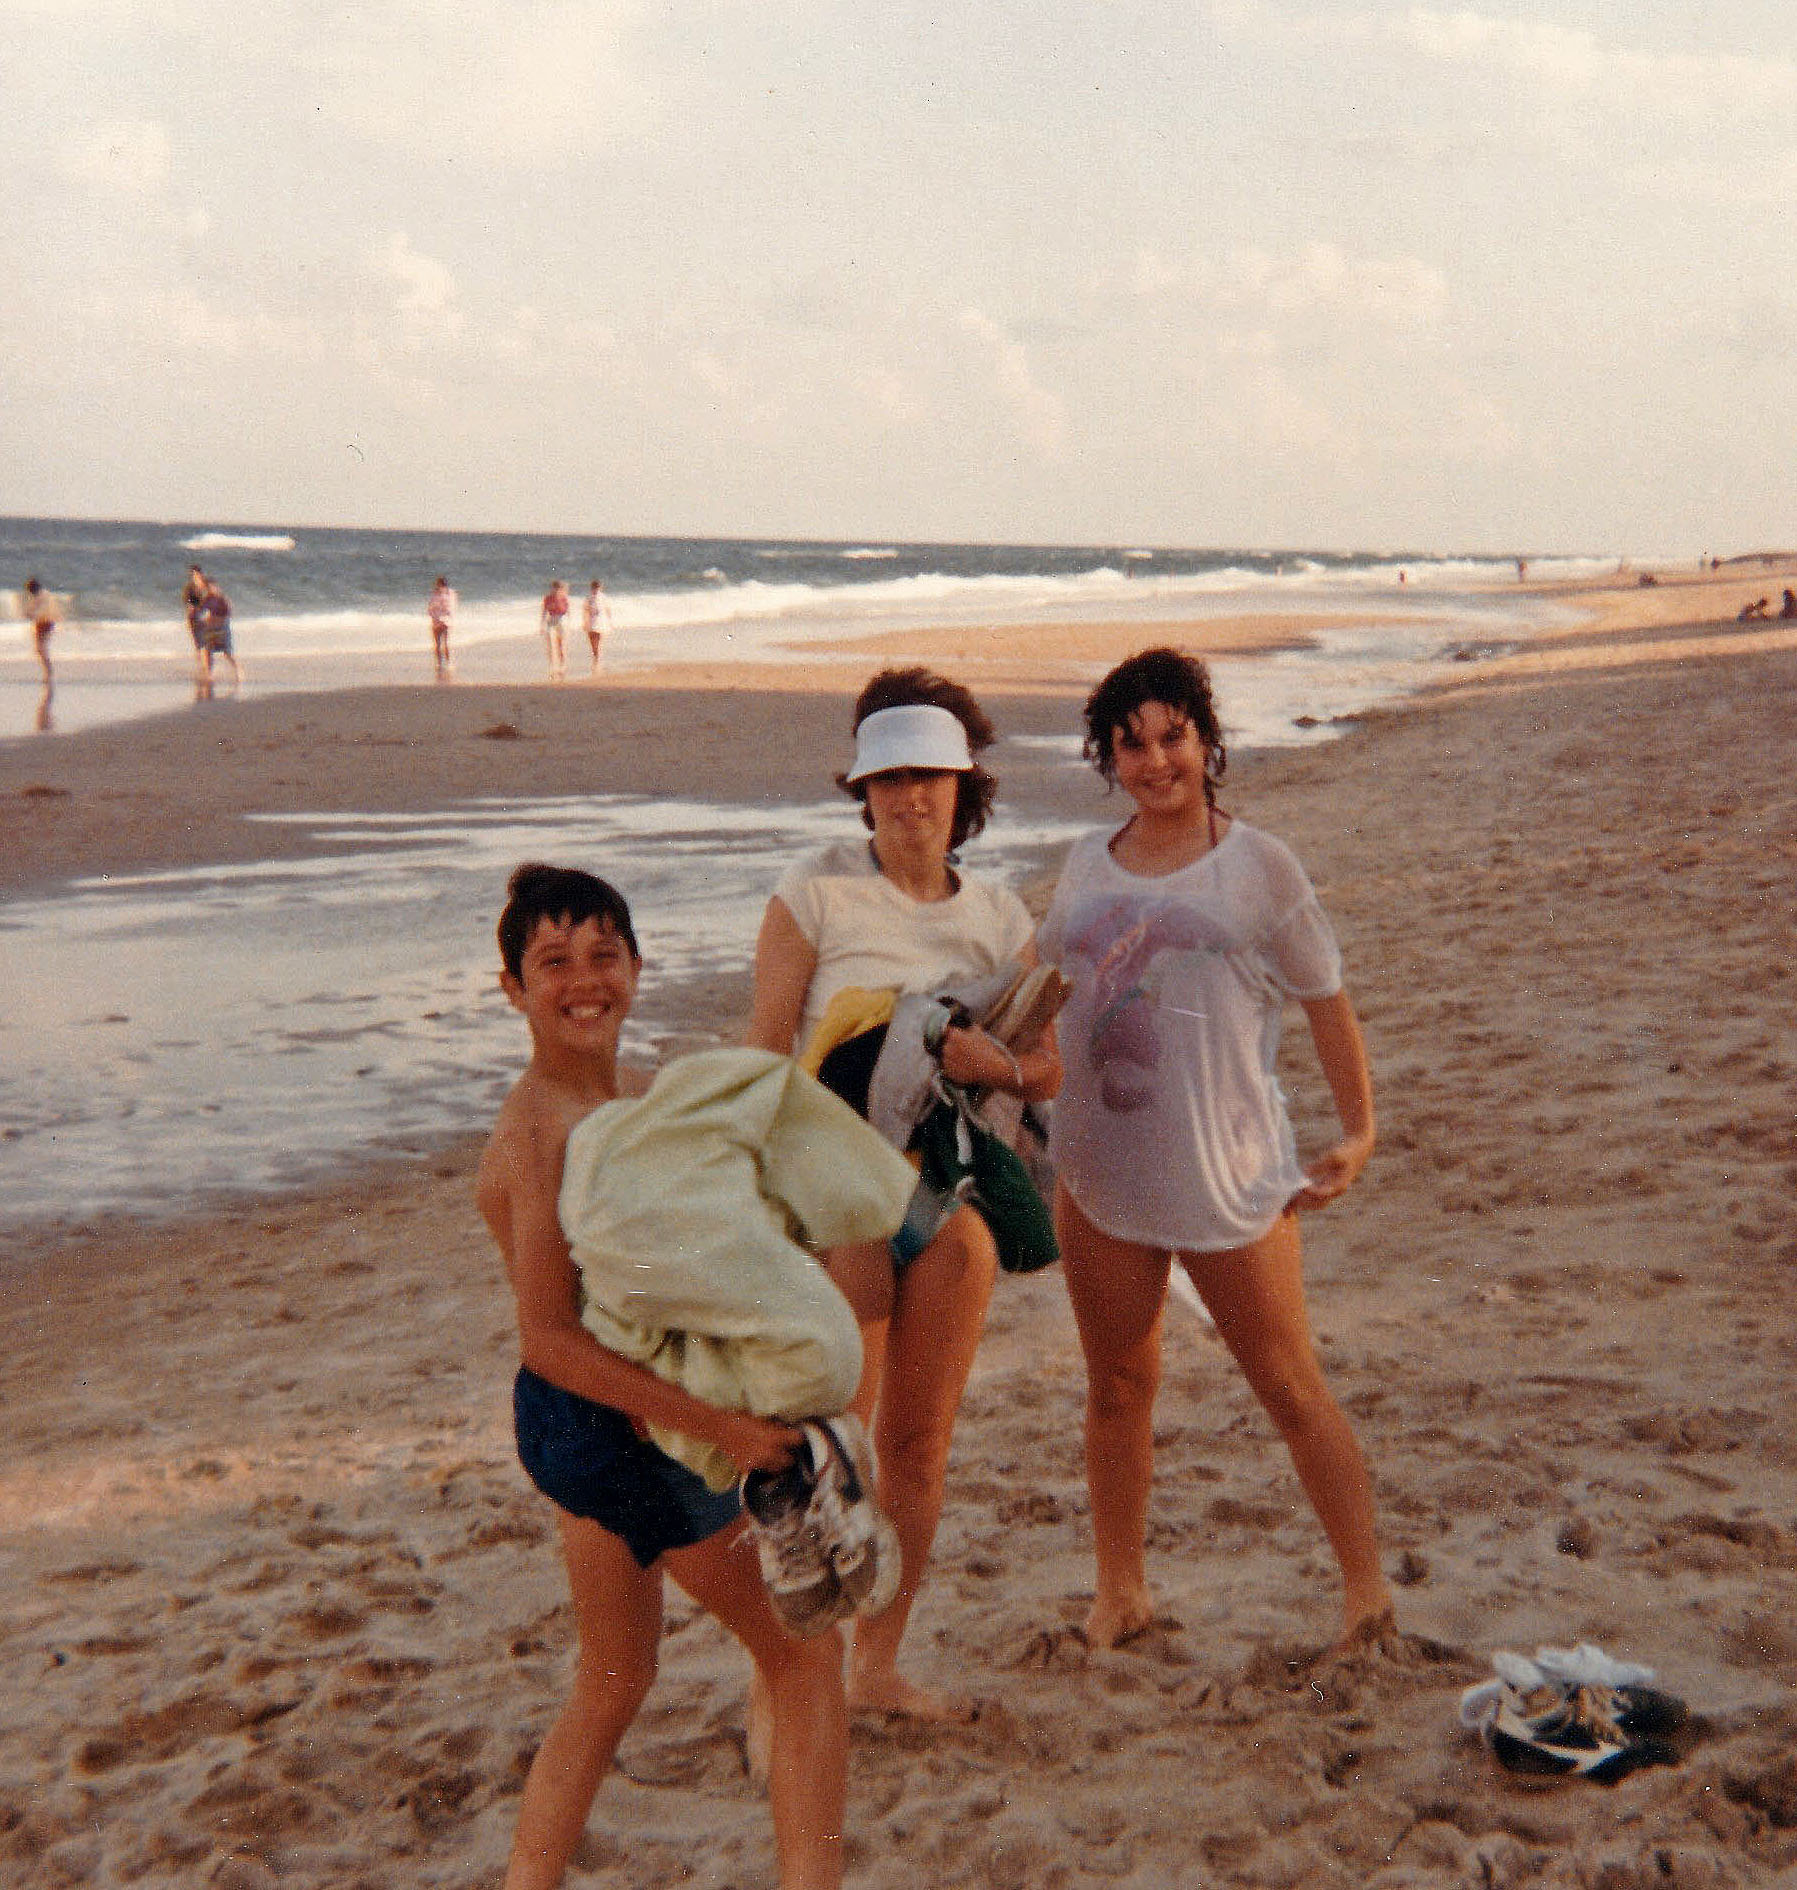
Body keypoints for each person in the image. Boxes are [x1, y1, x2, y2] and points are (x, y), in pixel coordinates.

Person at [478, 863, 849, 1890]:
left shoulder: (621, 1102)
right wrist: (723, 1429)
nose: (584, 981)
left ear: (639, 970)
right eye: (553, 963)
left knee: (613, 1676)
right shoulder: (539, 1129)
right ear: (512, 989)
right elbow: (548, 1336)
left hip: (585, 1424)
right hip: (622, 1426)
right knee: (805, 1658)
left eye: (604, 955)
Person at [1037, 647, 1393, 1651]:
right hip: (1100, 1169)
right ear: (1108, 758)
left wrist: (1358, 1130)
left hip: (1229, 1170)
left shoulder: (1260, 865)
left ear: (1205, 740)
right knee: (1117, 1388)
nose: (1155, 762)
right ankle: (1120, 1592)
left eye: (1173, 737)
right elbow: (1041, 985)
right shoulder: (1084, 860)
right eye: (1131, 744)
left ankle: (1366, 1593)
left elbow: (1326, 1003)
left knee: (1289, 1387)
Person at [747, 668, 1062, 1719]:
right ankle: (782, 1689)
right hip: (832, 1189)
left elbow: (1046, 1069)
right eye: (887, 779)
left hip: (944, 1190)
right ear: (863, 790)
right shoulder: (814, 892)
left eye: (928, 776)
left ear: (963, 785)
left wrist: (988, 1063)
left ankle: (875, 1668)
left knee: (919, 1448)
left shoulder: (999, 916)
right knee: (825, 1447)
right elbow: (763, 1054)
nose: (909, 797)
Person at [193, 577, 243, 692]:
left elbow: (228, 613)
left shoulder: (222, 599)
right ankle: (209, 674)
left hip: (222, 628)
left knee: (227, 653)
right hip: (211, 628)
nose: (210, 590)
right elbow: (200, 612)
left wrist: (216, 620)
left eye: (211, 587)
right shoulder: (207, 599)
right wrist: (201, 619)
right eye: (208, 588)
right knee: (207, 651)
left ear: (216, 587)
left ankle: (238, 671)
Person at [19, 578, 59, 686]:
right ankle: (47, 672)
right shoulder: (42, 595)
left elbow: (42, 610)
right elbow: (34, 608)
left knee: (41, 649)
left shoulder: (42, 596)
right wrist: (29, 613)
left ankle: (48, 673)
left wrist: (31, 614)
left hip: (44, 623)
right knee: (40, 649)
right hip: (44, 623)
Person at [182, 564, 210, 683]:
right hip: (193, 618)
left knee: (205, 645)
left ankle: (207, 670)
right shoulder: (189, 588)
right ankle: (202, 668)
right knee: (198, 645)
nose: (196, 576)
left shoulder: (207, 587)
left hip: (206, 617)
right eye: (193, 574)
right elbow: (188, 605)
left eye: (197, 574)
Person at [427, 575, 457, 680]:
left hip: (437, 621)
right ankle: (448, 663)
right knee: (445, 643)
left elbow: (430, 609)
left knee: (438, 644)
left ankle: (440, 664)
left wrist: (434, 617)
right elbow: (451, 608)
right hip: (445, 621)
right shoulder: (450, 593)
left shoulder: (435, 594)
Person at [540, 580, 570, 681]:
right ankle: (553, 666)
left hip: (562, 620)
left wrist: (568, 624)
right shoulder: (547, 598)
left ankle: (562, 665)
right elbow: (544, 611)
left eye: (558, 588)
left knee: (561, 645)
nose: (556, 590)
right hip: (551, 620)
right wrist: (542, 625)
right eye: (554, 588)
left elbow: (568, 611)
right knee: (551, 645)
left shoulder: (563, 598)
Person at [581, 579, 611, 676]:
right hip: (591, 622)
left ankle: (597, 661)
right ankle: (596, 659)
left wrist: (609, 622)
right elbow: (585, 610)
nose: (596, 589)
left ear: (600, 588)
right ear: (592, 588)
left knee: (598, 643)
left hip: (601, 622)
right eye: (594, 588)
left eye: (598, 587)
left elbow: (607, 610)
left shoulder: (603, 597)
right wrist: (584, 622)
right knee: (593, 644)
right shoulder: (588, 597)